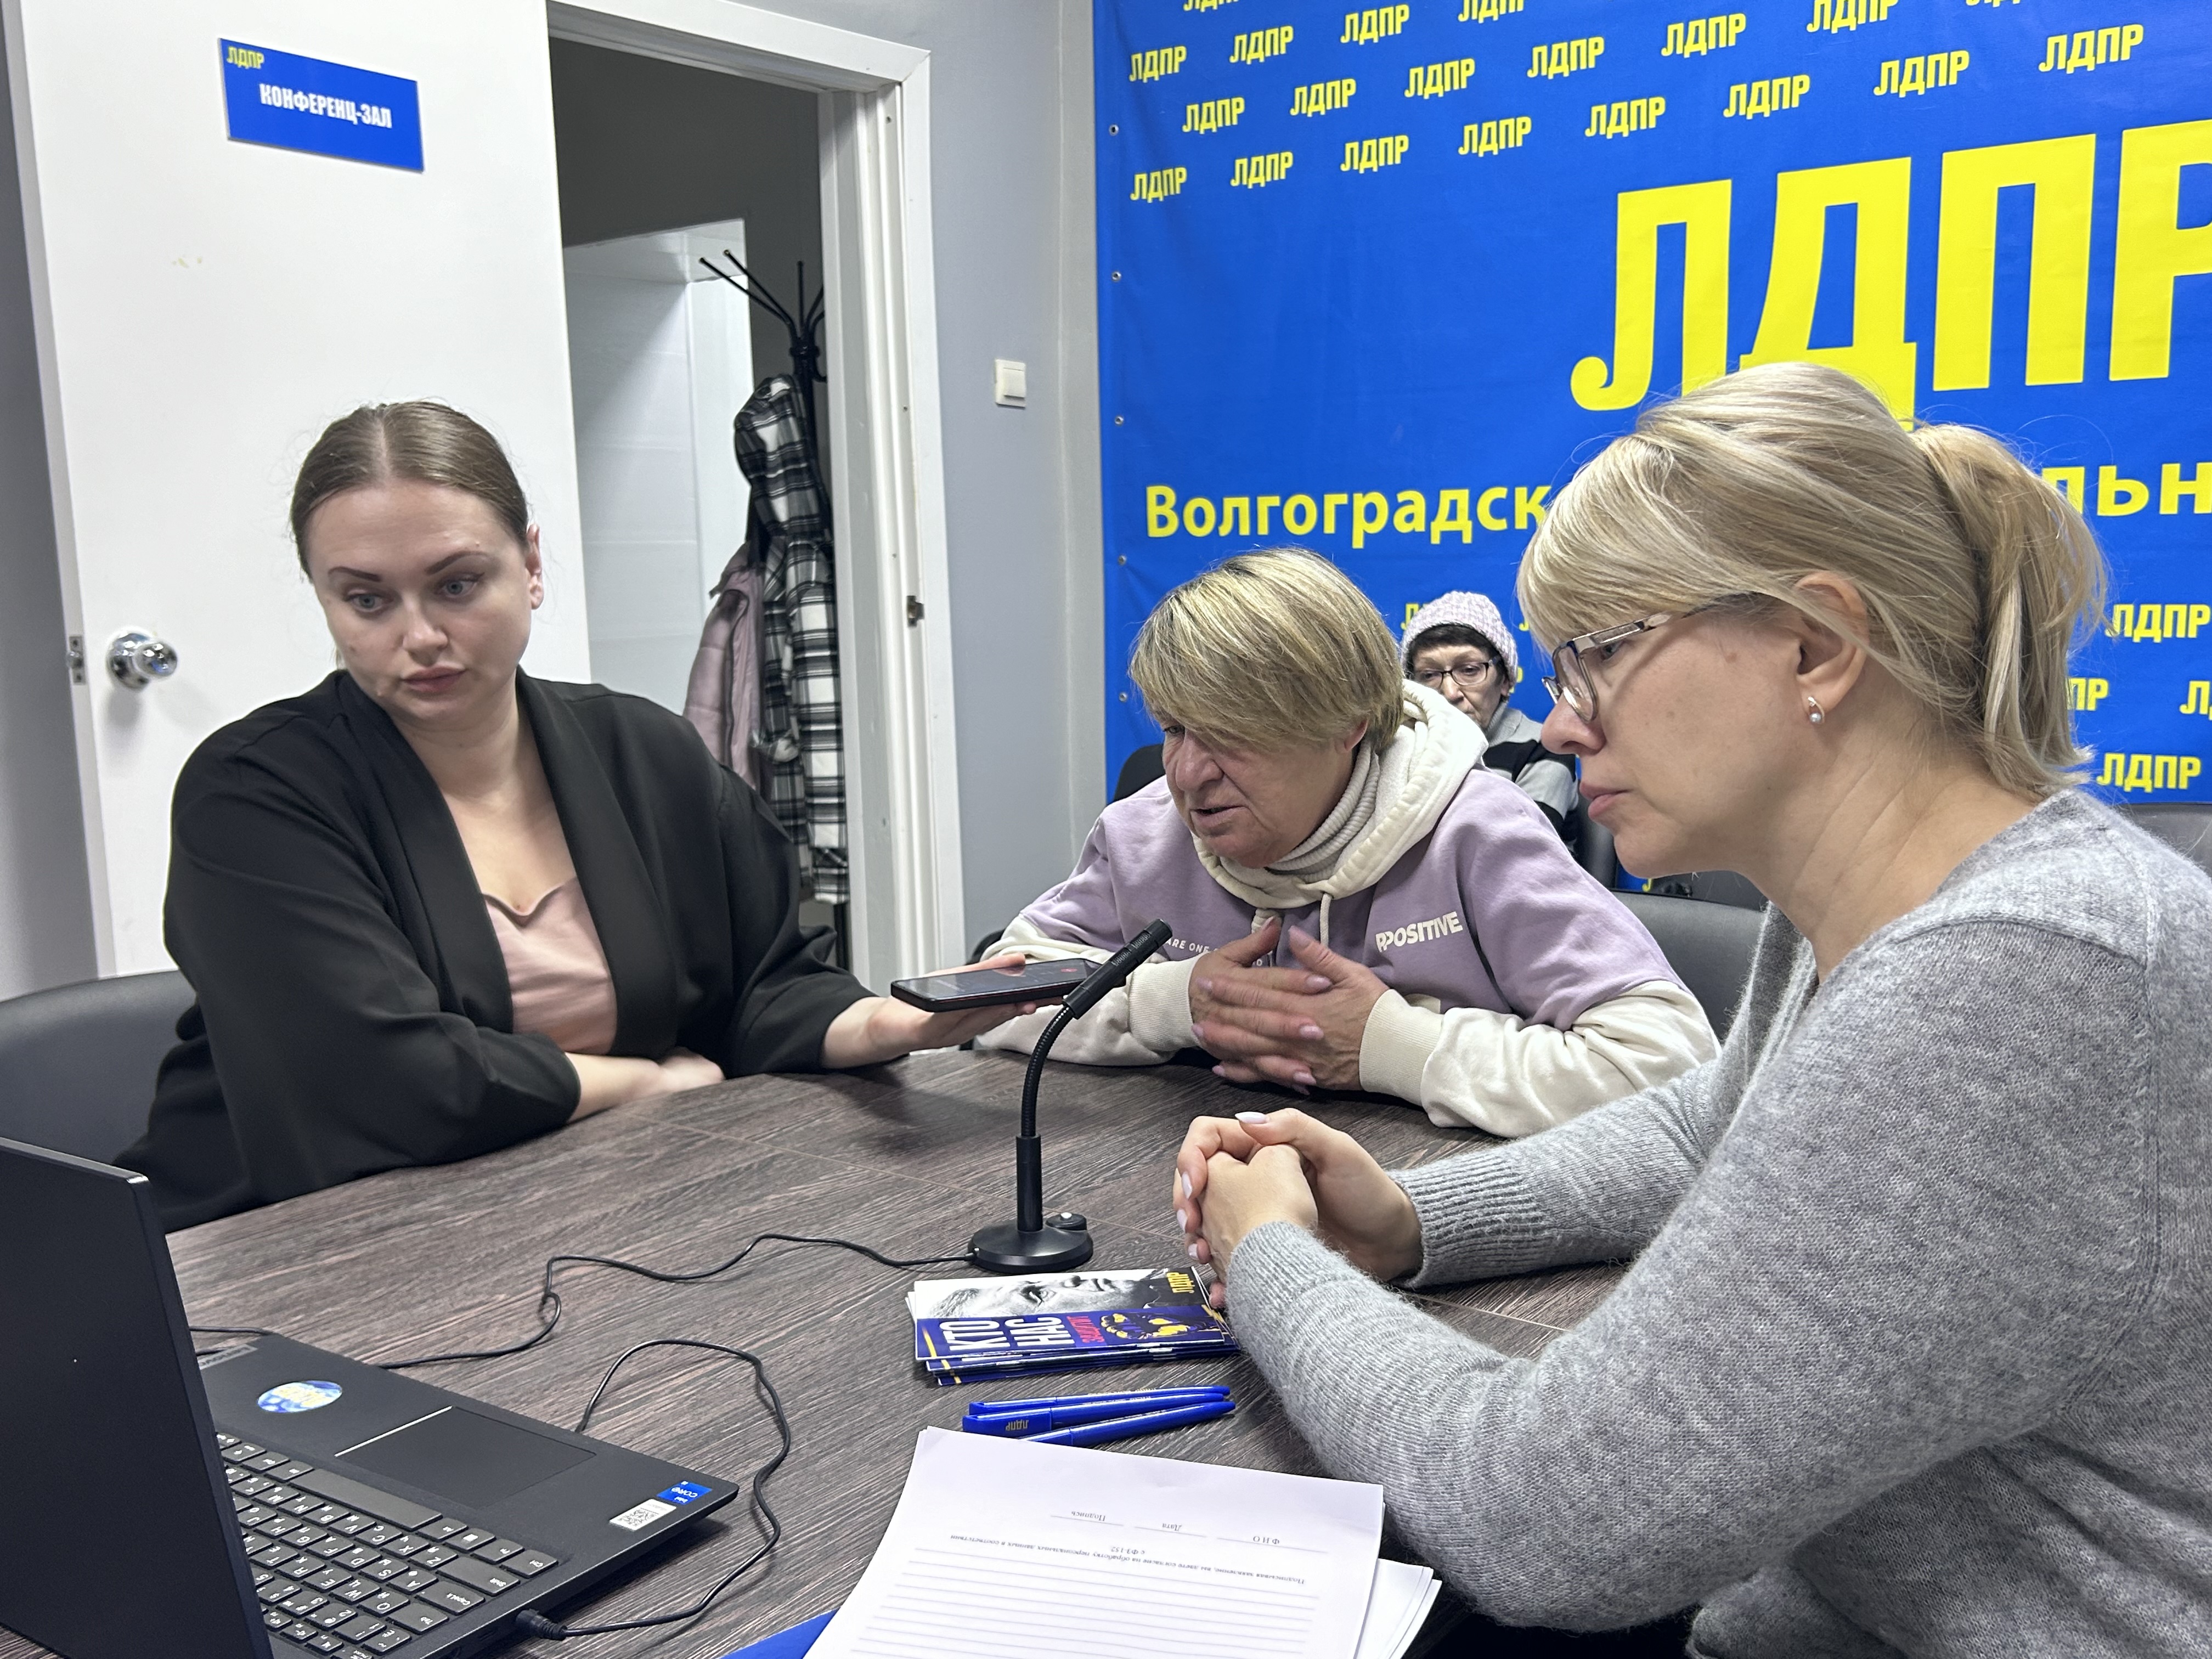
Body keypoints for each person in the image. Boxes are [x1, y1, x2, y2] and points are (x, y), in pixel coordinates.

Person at [1173, 364, 2212, 1654]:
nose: (1561, 726)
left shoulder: (2017, 980)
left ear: (1816, 643)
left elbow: (1542, 1521)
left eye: (1601, 655)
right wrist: (1413, 1218)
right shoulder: (1878, 910)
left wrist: (1268, 1254)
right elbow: (1706, 1126)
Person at [120, 402, 1031, 1230]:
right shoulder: (253, 795)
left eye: (457, 585)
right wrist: (639, 1082)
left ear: (531, 565)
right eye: (366, 600)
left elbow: (761, 985)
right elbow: (383, 1079)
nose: (419, 637)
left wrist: (890, 1024)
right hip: (291, 1238)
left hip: (591, 1200)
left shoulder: (642, 752)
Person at [978, 549, 1715, 1133]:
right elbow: (992, 999)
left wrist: (1391, 1046)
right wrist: (1170, 1005)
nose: (1188, 775)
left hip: (1435, 1215)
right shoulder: (1144, 832)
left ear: (1348, 724)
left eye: (1232, 733)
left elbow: (1672, 1069)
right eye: (1174, 729)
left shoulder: (1477, 829)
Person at [1402, 590, 1577, 840]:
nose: (1450, 693)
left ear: (1505, 680)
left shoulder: (1541, 747)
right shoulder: (1403, 747)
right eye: (1429, 675)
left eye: (1469, 670)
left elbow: (1520, 849)